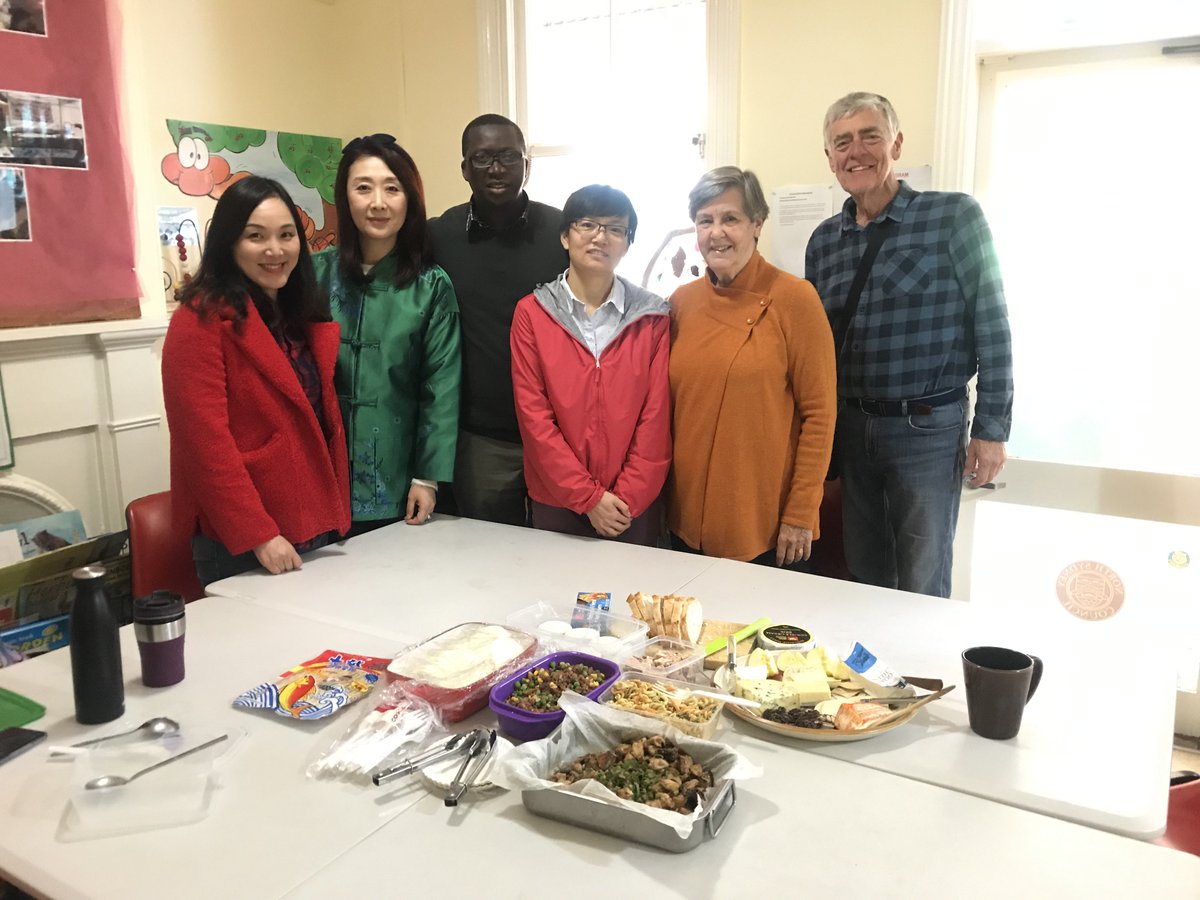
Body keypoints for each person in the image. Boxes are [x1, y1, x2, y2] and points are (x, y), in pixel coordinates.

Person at [805, 91, 1013, 598]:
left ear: (895, 144)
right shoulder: (823, 241)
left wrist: (991, 429)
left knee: (922, 577)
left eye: (870, 136)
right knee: (863, 573)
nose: (856, 152)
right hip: (852, 429)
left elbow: (992, 323)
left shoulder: (953, 216)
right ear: (829, 158)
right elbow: (817, 350)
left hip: (927, 429)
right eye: (842, 143)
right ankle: (869, 654)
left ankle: (922, 655)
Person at [162, 176, 350, 586]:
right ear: (228, 243)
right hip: (244, 537)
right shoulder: (199, 319)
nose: (275, 250)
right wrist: (259, 534)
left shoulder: (297, 313)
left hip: (309, 519)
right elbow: (204, 445)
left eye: (286, 235)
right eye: (256, 236)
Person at [668, 167, 836, 568]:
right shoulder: (681, 302)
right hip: (685, 517)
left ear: (757, 224)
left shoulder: (795, 298)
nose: (716, 233)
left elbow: (820, 415)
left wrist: (800, 514)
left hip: (763, 520)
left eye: (730, 218)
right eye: (705, 220)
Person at [313, 134, 461, 534]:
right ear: (345, 197)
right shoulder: (313, 274)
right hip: (316, 473)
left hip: (395, 478)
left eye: (392, 189)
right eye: (363, 188)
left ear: (410, 199)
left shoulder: (430, 285)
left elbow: (441, 387)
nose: (378, 202)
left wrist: (428, 478)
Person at [510, 184, 670, 545]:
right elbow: (534, 418)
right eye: (587, 225)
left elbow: (656, 419)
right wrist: (589, 498)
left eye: (615, 229)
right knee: (556, 583)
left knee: (632, 583)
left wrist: (626, 499)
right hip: (557, 498)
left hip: (631, 507)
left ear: (628, 243)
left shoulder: (652, 317)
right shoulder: (532, 314)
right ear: (565, 237)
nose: (600, 237)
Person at [427, 114, 566, 527]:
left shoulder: (561, 232)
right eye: (482, 158)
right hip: (483, 438)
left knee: (565, 545)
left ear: (527, 164)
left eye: (508, 156)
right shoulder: (440, 236)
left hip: (560, 431)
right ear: (465, 168)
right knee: (489, 549)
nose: (496, 168)